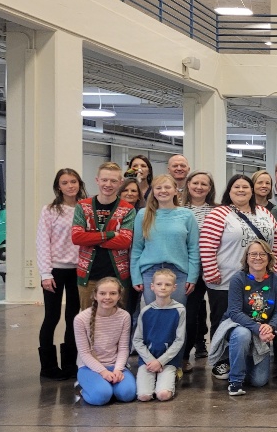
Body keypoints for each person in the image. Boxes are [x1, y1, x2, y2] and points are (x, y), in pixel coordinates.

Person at [200, 173, 277, 346]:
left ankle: (250, 357)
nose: (241, 190)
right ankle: (220, 359)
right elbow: (207, 244)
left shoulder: (264, 213)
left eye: (245, 187)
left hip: (260, 281)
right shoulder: (219, 213)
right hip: (225, 279)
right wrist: (210, 271)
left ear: (252, 191)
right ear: (229, 191)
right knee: (223, 322)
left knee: (256, 319)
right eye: (236, 187)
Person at [210, 240, 277, 396]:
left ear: (269, 257)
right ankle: (235, 381)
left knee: (259, 382)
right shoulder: (238, 279)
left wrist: (270, 326)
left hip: (262, 331)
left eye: (262, 254)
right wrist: (258, 328)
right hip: (239, 325)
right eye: (253, 254)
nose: (257, 257)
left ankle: (236, 361)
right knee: (242, 334)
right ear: (246, 258)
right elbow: (234, 312)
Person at [37, 168, 85, 380]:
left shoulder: (85, 208)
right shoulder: (49, 210)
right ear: (58, 186)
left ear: (79, 183)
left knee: (73, 316)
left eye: (73, 181)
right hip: (55, 270)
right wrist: (45, 273)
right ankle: (48, 367)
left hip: (78, 270)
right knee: (52, 317)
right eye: (65, 182)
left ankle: (69, 364)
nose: (70, 186)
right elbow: (42, 242)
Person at [71, 161, 136, 310]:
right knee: (88, 321)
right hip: (88, 276)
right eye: (104, 180)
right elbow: (77, 238)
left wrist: (91, 237)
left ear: (120, 183)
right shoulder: (83, 206)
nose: (108, 184)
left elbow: (125, 241)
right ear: (97, 180)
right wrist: (112, 234)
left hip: (118, 276)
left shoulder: (127, 209)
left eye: (113, 181)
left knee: (118, 322)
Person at [130, 174, 199, 307]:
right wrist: (136, 277)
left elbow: (193, 248)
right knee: (155, 315)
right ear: (153, 192)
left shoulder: (187, 215)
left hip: (179, 273)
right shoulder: (143, 214)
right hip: (150, 273)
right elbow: (137, 248)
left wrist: (192, 276)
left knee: (176, 316)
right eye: (158, 187)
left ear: (175, 190)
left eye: (167, 187)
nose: (163, 191)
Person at [73, 276, 136, 406]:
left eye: (113, 293)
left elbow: (124, 348)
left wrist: (118, 369)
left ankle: (106, 386)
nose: (107, 297)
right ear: (95, 295)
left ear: (119, 296)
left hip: (114, 365)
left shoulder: (124, 316)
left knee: (128, 394)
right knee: (101, 397)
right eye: (102, 293)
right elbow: (84, 353)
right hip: (89, 367)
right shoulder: (81, 319)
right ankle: (84, 388)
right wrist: (103, 372)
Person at [131, 268, 185, 402]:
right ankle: (153, 378)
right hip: (148, 360)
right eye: (159, 284)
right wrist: (151, 361)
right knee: (144, 397)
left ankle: (173, 375)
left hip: (168, 360)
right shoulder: (146, 311)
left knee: (163, 395)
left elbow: (179, 341)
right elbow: (137, 340)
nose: (163, 287)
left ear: (174, 288)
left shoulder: (179, 310)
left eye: (167, 284)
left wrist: (160, 361)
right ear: (152, 287)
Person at [183, 170, 216, 368]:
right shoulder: (179, 209)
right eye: (195, 183)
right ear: (188, 185)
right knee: (190, 314)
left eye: (204, 184)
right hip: (188, 269)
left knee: (218, 314)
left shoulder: (217, 210)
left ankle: (219, 356)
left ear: (210, 188)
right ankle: (185, 356)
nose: (199, 187)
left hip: (213, 267)